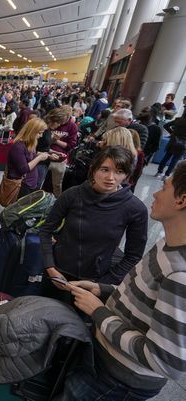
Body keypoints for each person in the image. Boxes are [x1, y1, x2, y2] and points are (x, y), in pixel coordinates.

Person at [58, 160, 186, 401]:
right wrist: (103, 289)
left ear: (181, 200)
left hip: (117, 379)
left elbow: (165, 361)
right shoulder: (169, 245)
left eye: (165, 187)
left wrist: (98, 313)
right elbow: (146, 299)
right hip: (103, 354)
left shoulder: (181, 275)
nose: (156, 193)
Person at [39, 146, 148, 304]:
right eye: (105, 169)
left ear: (126, 175)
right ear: (94, 169)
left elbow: (133, 256)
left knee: (78, 326)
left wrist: (102, 284)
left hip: (94, 281)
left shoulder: (135, 209)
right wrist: (50, 267)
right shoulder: (73, 195)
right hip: (57, 273)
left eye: (119, 171)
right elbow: (45, 229)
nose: (110, 177)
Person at [6, 118, 57, 198]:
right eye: (39, 133)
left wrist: (47, 155)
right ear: (32, 131)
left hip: (29, 184)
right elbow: (24, 169)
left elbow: (30, 155)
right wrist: (39, 157)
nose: (41, 136)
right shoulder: (18, 146)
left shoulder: (30, 143)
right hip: (21, 186)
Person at [47, 106, 79, 197]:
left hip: (60, 158)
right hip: (46, 153)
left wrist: (56, 141)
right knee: (40, 180)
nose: (60, 122)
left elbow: (71, 146)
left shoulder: (72, 127)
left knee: (57, 184)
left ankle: (57, 202)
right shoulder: (53, 121)